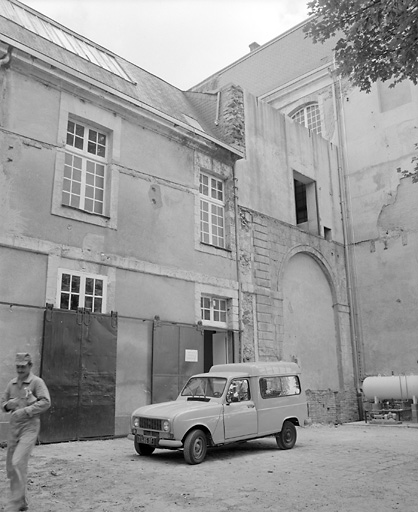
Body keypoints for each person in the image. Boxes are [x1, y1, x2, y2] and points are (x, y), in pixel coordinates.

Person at [1, 353, 51, 512]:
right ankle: (21, 502)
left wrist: (27, 410)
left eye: (23, 366)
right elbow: (3, 403)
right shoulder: (12, 383)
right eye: (18, 367)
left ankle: (15, 504)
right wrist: (10, 404)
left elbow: (46, 402)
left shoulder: (37, 382)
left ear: (30, 366)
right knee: (11, 466)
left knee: (18, 461)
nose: (20, 370)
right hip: (14, 426)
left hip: (30, 426)